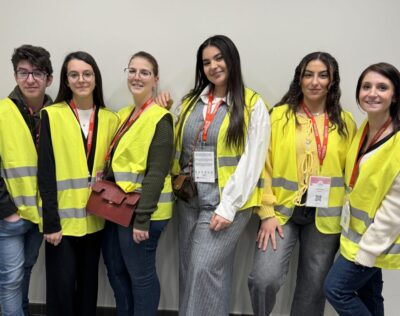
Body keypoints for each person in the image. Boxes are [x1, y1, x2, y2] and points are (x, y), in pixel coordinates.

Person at [248, 52, 357, 316]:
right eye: (308, 74)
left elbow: (352, 176)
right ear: (299, 78)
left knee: (314, 287)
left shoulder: (345, 123)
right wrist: (266, 213)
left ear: (332, 81)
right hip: (281, 212)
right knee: (264, 279)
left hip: (325, 218)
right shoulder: (280, 117)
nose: (315, 81)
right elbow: (264, 167)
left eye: (322, 75)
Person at [171, 34, 270, 315]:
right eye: (206, 62)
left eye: (219, 58)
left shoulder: (252, 104)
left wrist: (228, 207)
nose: (213, 66)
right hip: (189, 198)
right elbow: (179, 144)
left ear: (231, 59)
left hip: (227, 202)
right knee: (194, 269)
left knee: (203, 269)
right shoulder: (191, 101)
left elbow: (253, 161)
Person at [37, 51, 119, 316]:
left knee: (88, 291)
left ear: (95, 79)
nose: (81, 79)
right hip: (61, 223)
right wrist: (50, 222)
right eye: (74, 74)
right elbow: (46, 172)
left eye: (87, 74)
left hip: (96, 220)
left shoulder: (110, 118)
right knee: (61, 293)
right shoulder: (51, 115)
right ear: (66, 80)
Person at [324, 62, 400, 316]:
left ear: (395, 95)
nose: (372, 93)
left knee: (336, 289)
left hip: (373, 242)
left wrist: (368, 251)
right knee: (369, 296)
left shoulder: (397, 142)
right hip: (355, 236)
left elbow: (395, 209)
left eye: (382, 87)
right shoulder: (364, 129)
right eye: (366, 86)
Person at [102, 51, 174, 316]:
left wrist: (142, 218)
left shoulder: (160, 119)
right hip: (118, 208)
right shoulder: (124, 115)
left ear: (155, 79)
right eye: (132, 70)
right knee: (116, 268)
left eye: (144, 72)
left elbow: (156, 172)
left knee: (140, 276)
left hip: (143, 213)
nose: (136, 76)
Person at [0, 44, 53, 316]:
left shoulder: (57, 114)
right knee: (10, 281)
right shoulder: (2, 112)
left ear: (49, 78)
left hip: (40, 216)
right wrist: (8, 211)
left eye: (37, 73)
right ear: (15, 76)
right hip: (10, 217)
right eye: (23, 72)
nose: (30, 79)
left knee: (25, 271)